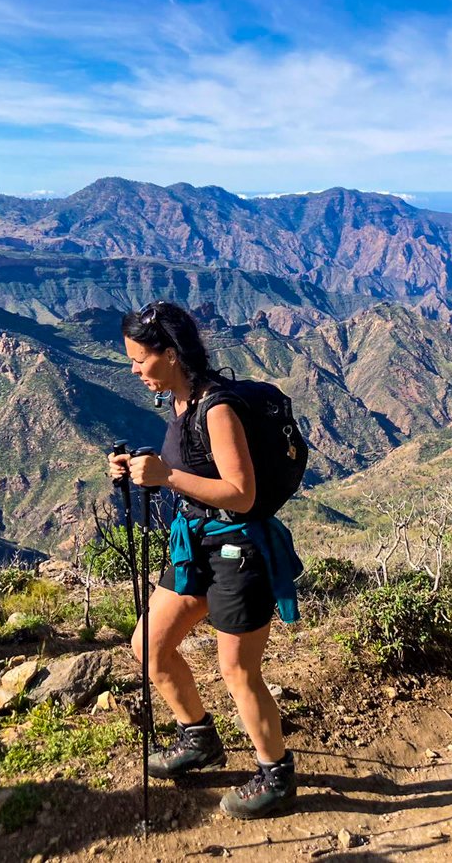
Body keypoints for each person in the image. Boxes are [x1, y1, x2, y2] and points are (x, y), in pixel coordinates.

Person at [107, 301, 302, 819]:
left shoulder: (216, 406)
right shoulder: (179, 401)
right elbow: (191, 464)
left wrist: (165, 478)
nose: (133, 369)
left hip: (240, 550)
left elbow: (239, 491)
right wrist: (142, 468)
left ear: (169, 353)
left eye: (139, 359)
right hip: (196, 543)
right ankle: (199, 738)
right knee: (149, 647)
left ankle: (276, 775)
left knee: (238, 671)